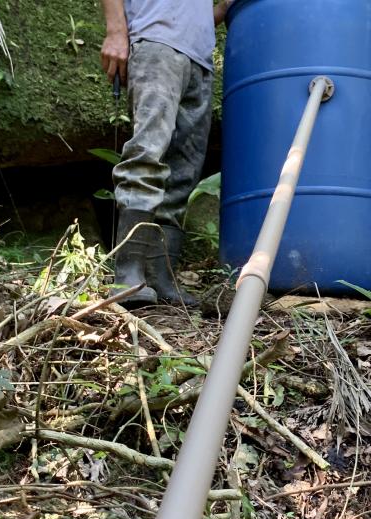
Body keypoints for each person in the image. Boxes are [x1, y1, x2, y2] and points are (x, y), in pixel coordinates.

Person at [100, 0, 232, 305]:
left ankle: (162, 278)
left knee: (183, 173)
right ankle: (128, 276)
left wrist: (223, 9)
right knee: (148, 153)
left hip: (199, 61)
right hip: (156, 45)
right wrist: (116, 32)